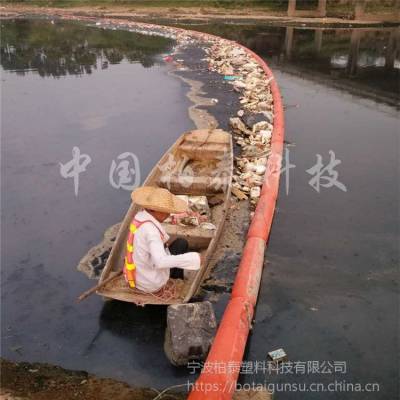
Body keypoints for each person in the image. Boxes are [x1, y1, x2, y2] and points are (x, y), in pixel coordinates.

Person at [123, 186, 201, 294]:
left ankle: (176, 274)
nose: (168, 214)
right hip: (150, 283)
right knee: (182, 243)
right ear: (153, 210)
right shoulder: (151, 232)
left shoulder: (139, 217)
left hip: (135, 277)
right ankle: (176, 278)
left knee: (178, 244)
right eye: (165, 211)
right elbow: (160, 262)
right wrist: (195, 259)